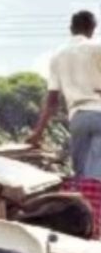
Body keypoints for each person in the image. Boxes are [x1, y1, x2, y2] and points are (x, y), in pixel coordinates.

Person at [28, 10, 101, 178]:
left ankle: (86, 204)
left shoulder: (57, 56)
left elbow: (52, 102)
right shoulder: (97, 48)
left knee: (82, 175)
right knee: (98, 175)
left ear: (71, 29)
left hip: (77, 119)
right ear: (92, 29)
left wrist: (37, 133)